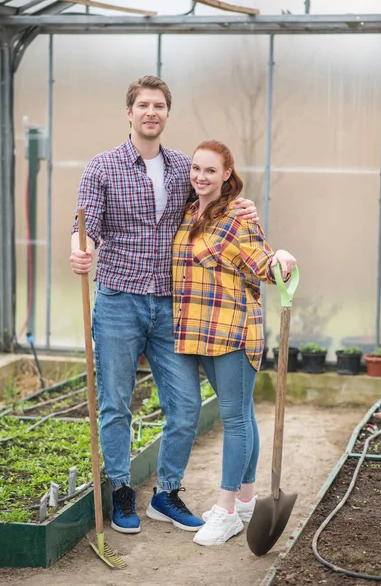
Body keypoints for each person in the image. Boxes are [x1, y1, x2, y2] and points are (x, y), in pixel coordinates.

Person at [70, 76, 260, 535]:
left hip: (172, 306)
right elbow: (84, 224)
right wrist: (80, 247)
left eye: (159, 105)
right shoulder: (102, 168)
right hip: (118, 300)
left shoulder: (182, 167)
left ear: (167, 114)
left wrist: (242, 205)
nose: (151, 112)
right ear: (129, 112)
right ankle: (120, 491)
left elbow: (213, 200)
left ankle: (166, 493)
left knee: (187, 404)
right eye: (143, 105)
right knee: (115, 402)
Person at [172, 140, 297, 546]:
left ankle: (225, 511)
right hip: (198, 332)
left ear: (227, 174)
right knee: (241, 412)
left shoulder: (238, 216)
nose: (200, 177)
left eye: (210, 170)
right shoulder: (191, 211)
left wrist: (280, 255)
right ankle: (245, 501)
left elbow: (261, 260)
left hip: (233, 331)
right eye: (196, 169)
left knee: (235, 419)